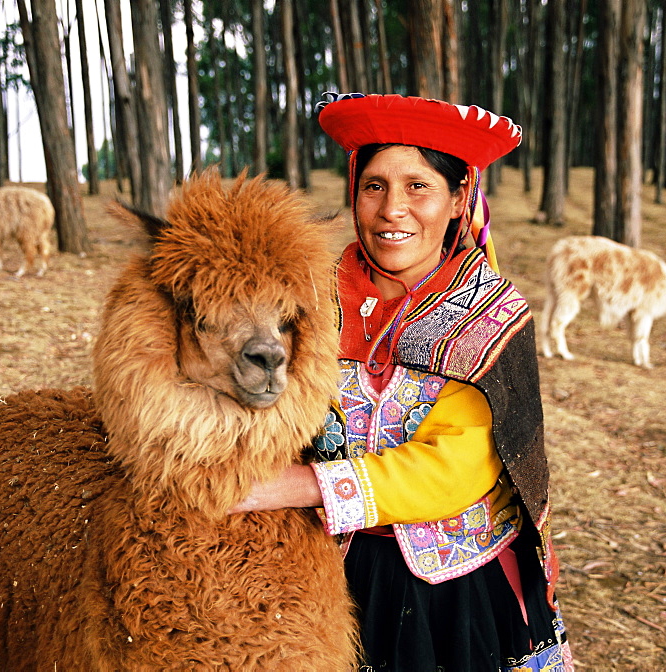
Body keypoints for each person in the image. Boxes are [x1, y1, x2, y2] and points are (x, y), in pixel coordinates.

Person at [231, 92, 573, 671]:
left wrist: (296, 486)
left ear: (459, 197)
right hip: (311, 571)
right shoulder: (306, 298)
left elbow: (454, 470)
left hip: (450, 591)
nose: (393, 209)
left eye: (418, 187)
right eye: (374, 185)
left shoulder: (489, 313)